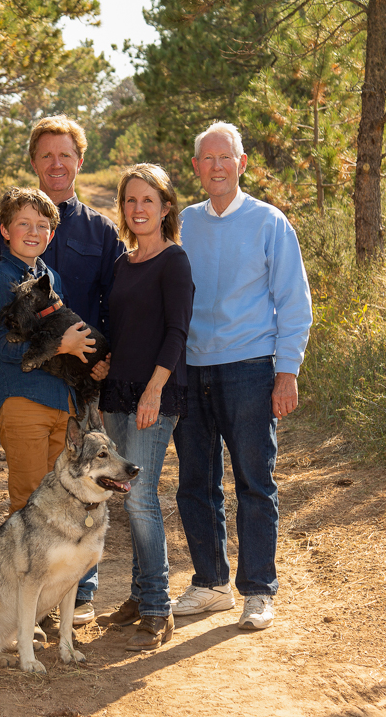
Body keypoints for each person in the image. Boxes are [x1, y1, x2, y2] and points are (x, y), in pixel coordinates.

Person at [0, 114, 126, 623]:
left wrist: (105, 361)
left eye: (65, 154)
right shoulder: (5, 240)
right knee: (34, 498)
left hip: (77, 389)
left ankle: (75, 595)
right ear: (35, 162)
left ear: (79, 161)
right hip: (26, 386)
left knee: (79, 490)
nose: (57, 163)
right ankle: (29, 606)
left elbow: (115, 302)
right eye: (47, 155)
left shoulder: (99, 231)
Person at [172, 121, 312, 630]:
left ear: (242, 162)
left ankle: (257, 590)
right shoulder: (184, 222)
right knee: (195, 483)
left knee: (255, 482)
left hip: (251, 368)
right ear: (195, 167)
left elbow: (293, 303)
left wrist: (287, 372)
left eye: (225, 157)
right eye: (207, 158)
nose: (216, 166)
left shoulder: (269, 222)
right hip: (190, 371)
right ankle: (210, 584)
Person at [99, 164, 193, 651]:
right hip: (116, 393)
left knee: (140, 496)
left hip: (155, 393)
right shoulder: (122, 263)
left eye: (148, 201)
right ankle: (137, 596)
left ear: (165, 208)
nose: (138, 209)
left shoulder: (174, 260)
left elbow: (177, 331)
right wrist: (105, 362)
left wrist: (155, 389)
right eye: (131, 201)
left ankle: (158, 607)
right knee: (127, 495)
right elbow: (124, 329)